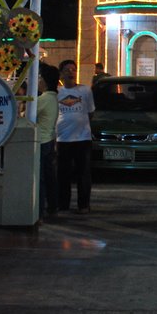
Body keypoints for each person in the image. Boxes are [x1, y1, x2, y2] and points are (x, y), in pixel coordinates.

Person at [56, 59, 94, 214]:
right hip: (63, 139)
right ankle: (63, 203)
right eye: (67, 70)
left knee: (83, 173)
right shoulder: (57, 92)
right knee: (63, 174)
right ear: (61, 74)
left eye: (73, 69)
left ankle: (83, 204)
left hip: (82, 139)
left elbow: (91, 112)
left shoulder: (85, 91)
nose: (71, 72)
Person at [36, 63, 60, 220]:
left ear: (44, 81)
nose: (38, 80)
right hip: (50, 140)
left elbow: (27, 114)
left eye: (39, 77)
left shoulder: (43, 99)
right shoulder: (53, 98)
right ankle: (52, 207)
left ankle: (39, 210)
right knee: (50, 177)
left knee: (41, 178)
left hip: (42, 141)